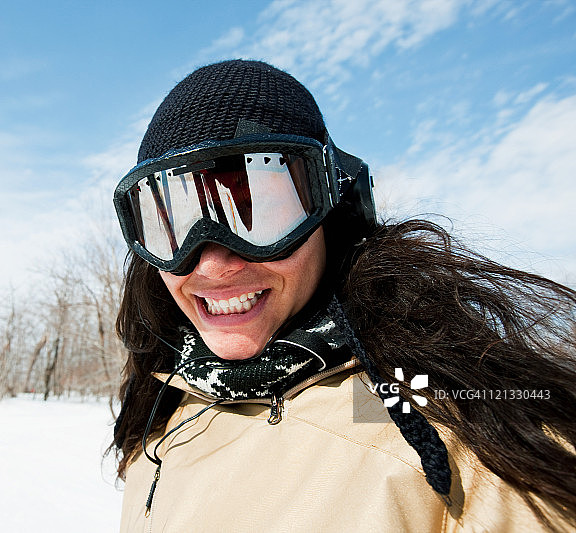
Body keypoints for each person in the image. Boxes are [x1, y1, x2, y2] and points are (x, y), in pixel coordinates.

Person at [109, 59, 576, 532]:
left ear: (331, 213)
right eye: (172, 224)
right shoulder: (163, 416)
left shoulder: (465, 441)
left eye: (261, 211)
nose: (211, 264)